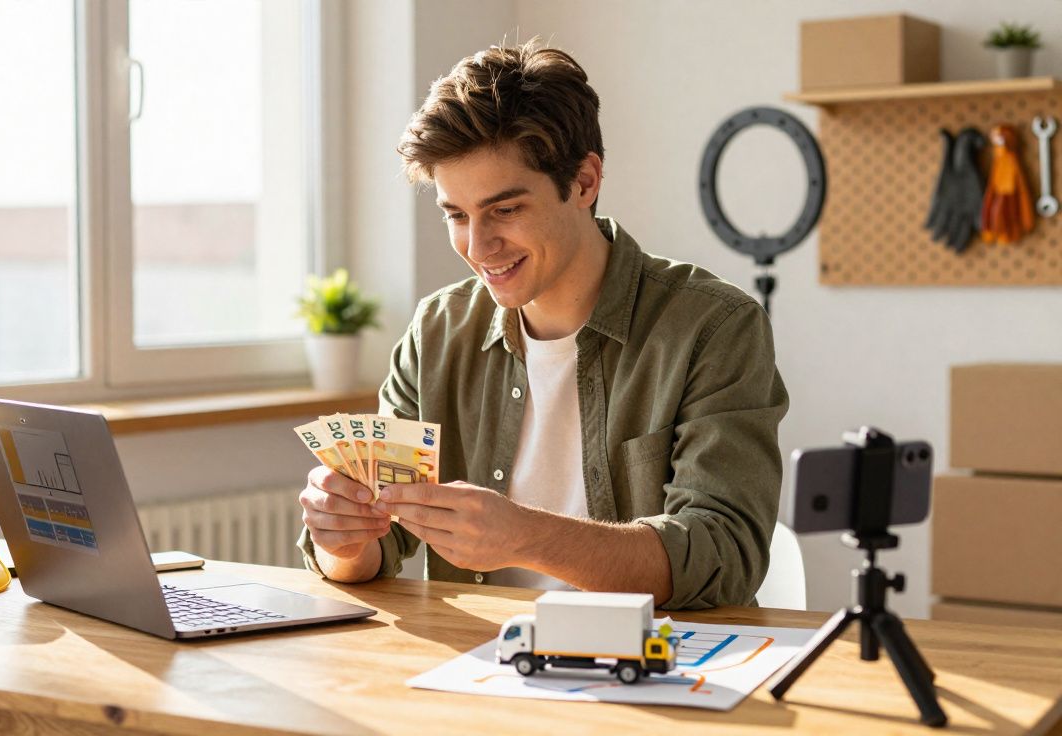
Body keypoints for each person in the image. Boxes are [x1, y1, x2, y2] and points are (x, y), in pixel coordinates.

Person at [296, 41, 789, 609]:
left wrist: (526, 536)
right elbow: (383, 543)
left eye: (505, 210)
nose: (478, 247)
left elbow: (722, 555)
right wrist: (344, 538)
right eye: (457, 215)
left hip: (661, 670)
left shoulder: (714, 327)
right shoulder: (437, 332)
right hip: (482, 671)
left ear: (584, 182)